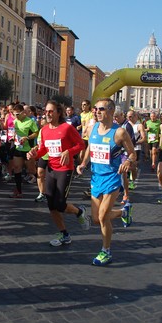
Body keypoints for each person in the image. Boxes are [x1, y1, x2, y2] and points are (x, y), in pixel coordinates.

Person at [76, 98, 135, 266]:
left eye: (100, 109)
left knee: (103, 216)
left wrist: (127, 162)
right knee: (96, 219)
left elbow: (132, 154)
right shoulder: (93, 127)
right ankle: (124, 212)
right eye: (95, 109)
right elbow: (90, 147)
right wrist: (83, 163)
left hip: (112, 177)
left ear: (110, 111)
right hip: (96, 177)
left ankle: (106, 251)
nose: (96, 111)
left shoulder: (119, 133)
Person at [27, 100, 89, 247]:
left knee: (60, 204)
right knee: (51, 205)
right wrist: (33, 154)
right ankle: (64, 234)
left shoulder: (67, 128)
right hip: (51, 169)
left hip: (65, 169)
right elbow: (44, 150)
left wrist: (69, 151)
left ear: (58, 113)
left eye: (51, 111)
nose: (47, 114)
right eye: (46, 111)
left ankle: (79, 211)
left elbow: (81, 144)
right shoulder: (45, 129)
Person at [10, 104, 39, 198]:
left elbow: (36, 132)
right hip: (18, 148)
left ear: (23, 112)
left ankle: (43, 189)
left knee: (31, 170)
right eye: (14, 114)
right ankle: (18, 191)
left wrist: (27, 137)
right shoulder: (15, 121)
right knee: (16, 168)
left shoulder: (30, 121)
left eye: (18, 114)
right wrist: (14, 136)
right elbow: (15, 131)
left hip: (28, 149)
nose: (16, 116)